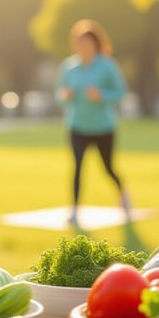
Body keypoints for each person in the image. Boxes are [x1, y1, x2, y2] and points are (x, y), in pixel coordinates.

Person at [56, 20, 130, 225]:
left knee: (107, 167)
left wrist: (102, 95)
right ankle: (74, 210)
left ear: (96, 44)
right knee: (78, 167)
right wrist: (65, 95)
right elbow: (59, 92)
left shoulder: (107, 65)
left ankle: (123, 194)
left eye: (87, 43)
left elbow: (120, 91)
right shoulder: (69, 67)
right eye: (80, 43)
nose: (83, 47)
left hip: (103, 127)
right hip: (77, 126)